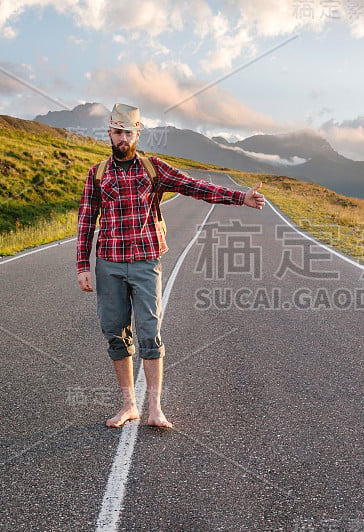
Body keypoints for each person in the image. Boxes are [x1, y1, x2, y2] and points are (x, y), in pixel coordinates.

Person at [76, 103, 265, 429]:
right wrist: (82, 264)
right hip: (108, 264)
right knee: (116, 336)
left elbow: (195, 187)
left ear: (138, 132)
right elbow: (85, 222)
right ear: (109, 132)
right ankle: (128, 406)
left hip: (146, 263)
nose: (123, 138)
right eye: (118, 132)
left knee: (150, 335)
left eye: (129, 132)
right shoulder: (97, 174)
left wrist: (239, 197)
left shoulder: (153, 169)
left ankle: (155, 409)